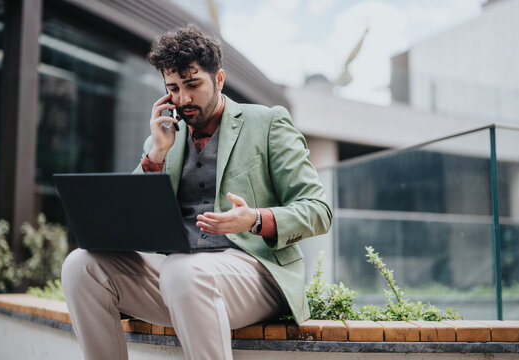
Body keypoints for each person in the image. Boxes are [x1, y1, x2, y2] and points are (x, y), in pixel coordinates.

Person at [61, 24, 332, 360]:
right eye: (173, 88)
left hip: (254, 272)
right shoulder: (162, 139)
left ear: (218, 79)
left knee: (181, 270)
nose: (183, 99)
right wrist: (155, 156)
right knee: (80, 266)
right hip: (179, 276)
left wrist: (254, 219)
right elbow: (129, 217)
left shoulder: (267, 122)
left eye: (193, 85)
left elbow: (318, 210)